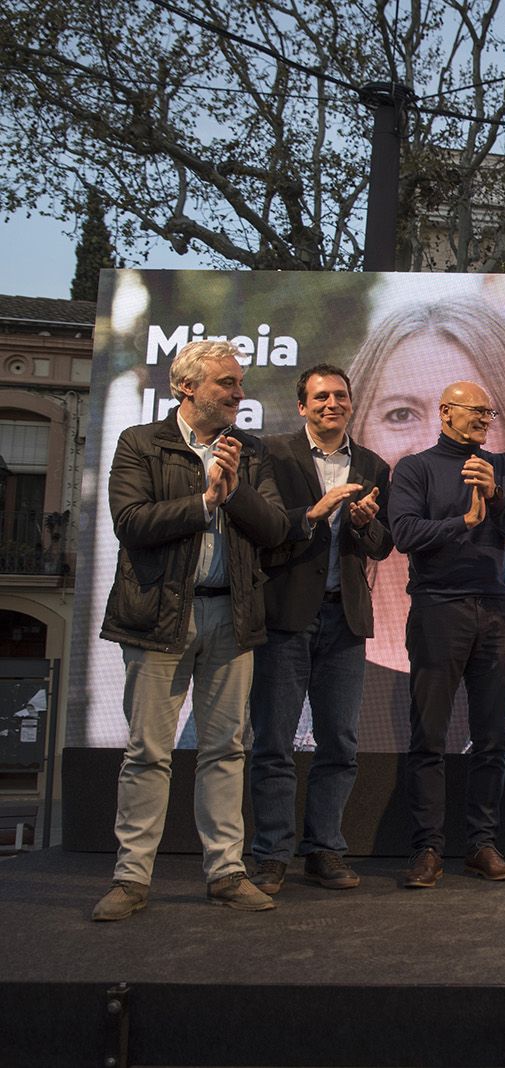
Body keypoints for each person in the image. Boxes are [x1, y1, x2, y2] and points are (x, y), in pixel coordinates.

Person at [92, 339, 290, 921]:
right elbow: (130, 523)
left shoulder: (248, 452)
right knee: (146, 752)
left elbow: (276, 528)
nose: (238, 392)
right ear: (188, 388)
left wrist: (234, 494)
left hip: (231, 616)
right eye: (227, 383)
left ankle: (226, 873)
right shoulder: (141, 444)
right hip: (158, 617)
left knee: (226, 749)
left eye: (239, 382)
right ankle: (131, 880)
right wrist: (205, 500)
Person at [345, 298, 505, 752]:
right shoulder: (304, 637)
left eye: (472, 419)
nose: (436, 441)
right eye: (400, 413)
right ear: (360, 430)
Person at [247, 364, 393, 895]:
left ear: (351, 404)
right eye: (321, 397)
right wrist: (317, 512)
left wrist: (364, 523)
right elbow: (260, 526)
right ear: (303, 407)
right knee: (273, 743)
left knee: (340, 744)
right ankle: (269, 855)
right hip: (285, 615)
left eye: (341, 396)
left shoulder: (374, 464)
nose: (332, 403)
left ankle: (325, 850)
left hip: (345, 618)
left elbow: (383, 545)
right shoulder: (271, 454)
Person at [388, 380, 505, 889]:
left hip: (495, 610)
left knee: (491, 736)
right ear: (447, 413)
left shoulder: (504, 467)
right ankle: (427, 848)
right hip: (437, 608)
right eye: (476, 411)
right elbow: (402, 533)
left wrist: (492, 499)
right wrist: (460, 521)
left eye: (489, 413)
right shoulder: (415, 468)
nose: (484, 420)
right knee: (429, 734)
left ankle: (481, 845)